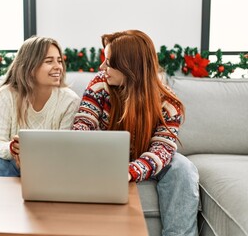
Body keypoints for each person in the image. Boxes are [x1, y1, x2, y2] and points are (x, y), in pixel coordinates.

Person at [72, 30, 200, 236]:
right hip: (104, 159)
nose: (102, 67)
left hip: (146, 159)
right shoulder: (99, 85)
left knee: (183, 167)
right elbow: (82, 125)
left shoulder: (168, 103)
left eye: (109, 62)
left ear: (129, 67)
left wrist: (130, 171)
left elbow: (162, 149)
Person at [0, 36, 81, 177]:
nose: (58, 67)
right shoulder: (7, 95)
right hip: (12, 163)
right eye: (49, 61)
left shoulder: (70, 100)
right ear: (30, 66)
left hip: (51, 166)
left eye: (59, 61)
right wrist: (14, 149)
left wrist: (34, 160)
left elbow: (64, 150)